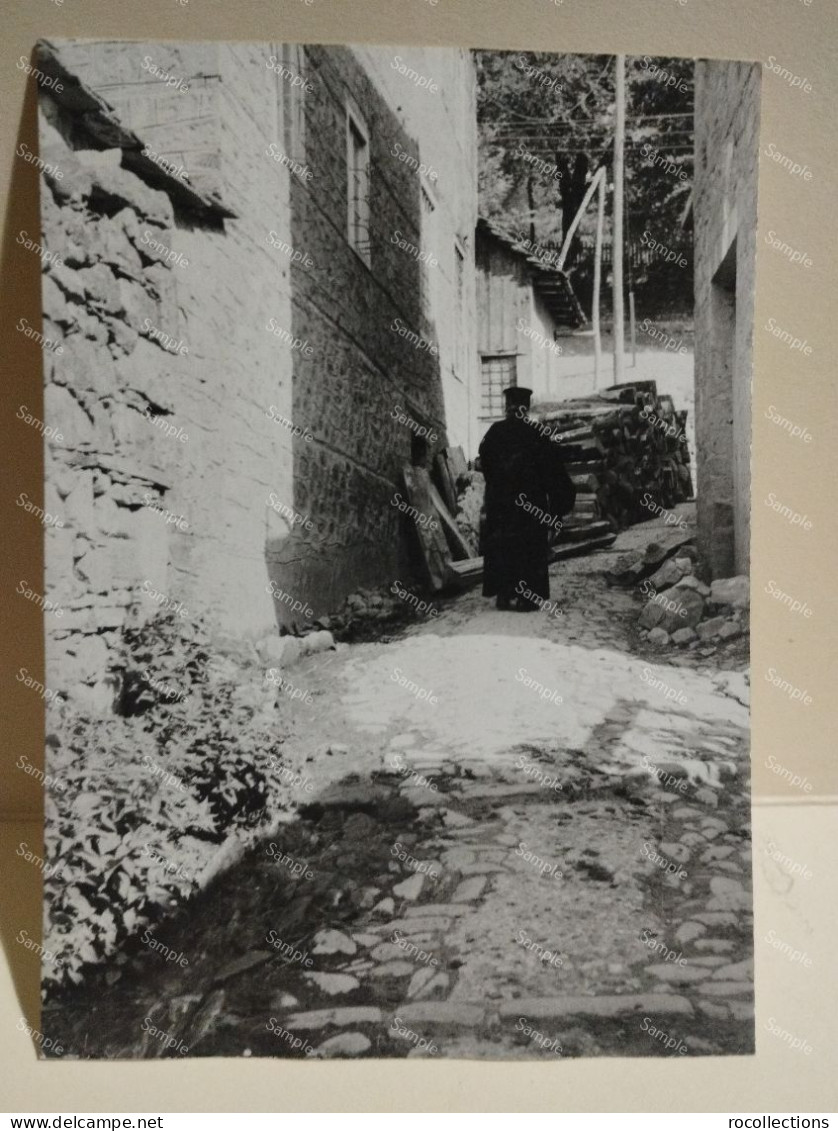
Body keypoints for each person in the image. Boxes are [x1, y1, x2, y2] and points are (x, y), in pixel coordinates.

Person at [478, 386, 575, 611]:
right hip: (530, 506)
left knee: (503, 546)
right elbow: (553, 472)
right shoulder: (538, 434)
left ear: (507, 407)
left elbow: (485, 463)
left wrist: (496, 489)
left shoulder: (494, 432)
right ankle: (527, 598)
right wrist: (558, 504)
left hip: (501, 504)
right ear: (527, 408)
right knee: (528, 547)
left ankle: (504, 594)